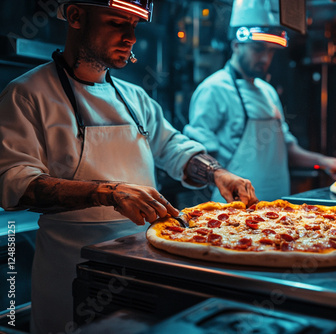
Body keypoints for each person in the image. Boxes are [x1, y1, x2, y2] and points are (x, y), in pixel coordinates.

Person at [0, 1, 258, 333]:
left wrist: (216, 172)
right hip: (72, 267)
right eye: (116, 23)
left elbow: (173, 146)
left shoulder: (135, 98)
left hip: (145, 256)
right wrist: (109, 193)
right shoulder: (27, 94)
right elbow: (15, 184)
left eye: (135, 27)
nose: (130, 37)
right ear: (76, 16)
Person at [183, 0, 336, 201]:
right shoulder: (213, 89)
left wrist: (326, 162)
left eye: (271, 51)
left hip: (277, 205)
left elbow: (287, 148)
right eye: (258, 49)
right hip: (233, 207)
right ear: (236, 45)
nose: (265, 58)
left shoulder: (268, 91)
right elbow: (199, 156)